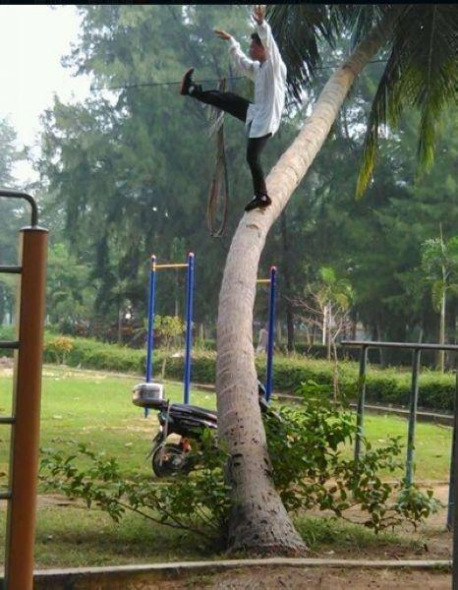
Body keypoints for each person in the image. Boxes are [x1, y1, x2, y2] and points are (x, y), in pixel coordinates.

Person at [180, 5, 287, 213]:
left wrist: (261, 24)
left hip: (266, 121)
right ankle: (191, 89)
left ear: (263, 48)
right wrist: (232, 42)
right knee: (225, 99)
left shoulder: (275, 66)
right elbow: (241, 63)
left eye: (253, 46)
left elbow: (270, 44)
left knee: (252, 157)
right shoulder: (259, 68)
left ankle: (262, 195)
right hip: (256, 113)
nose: (250, 49)